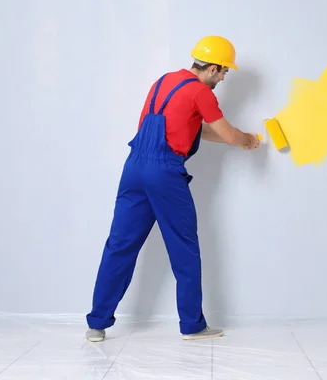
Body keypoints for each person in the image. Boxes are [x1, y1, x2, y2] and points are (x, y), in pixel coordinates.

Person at [85, 35, 260, 342]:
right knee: (184, 248)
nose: (222, 78)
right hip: (164, 173)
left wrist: (235, 136)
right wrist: (248, 139)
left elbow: (195, 129)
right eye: (223, 72)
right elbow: (230, 136)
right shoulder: (202, 93)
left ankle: (96, 324)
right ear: (213, 68)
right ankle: (192, 325)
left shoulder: (164, 81)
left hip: (134, 169)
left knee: (119, 245)